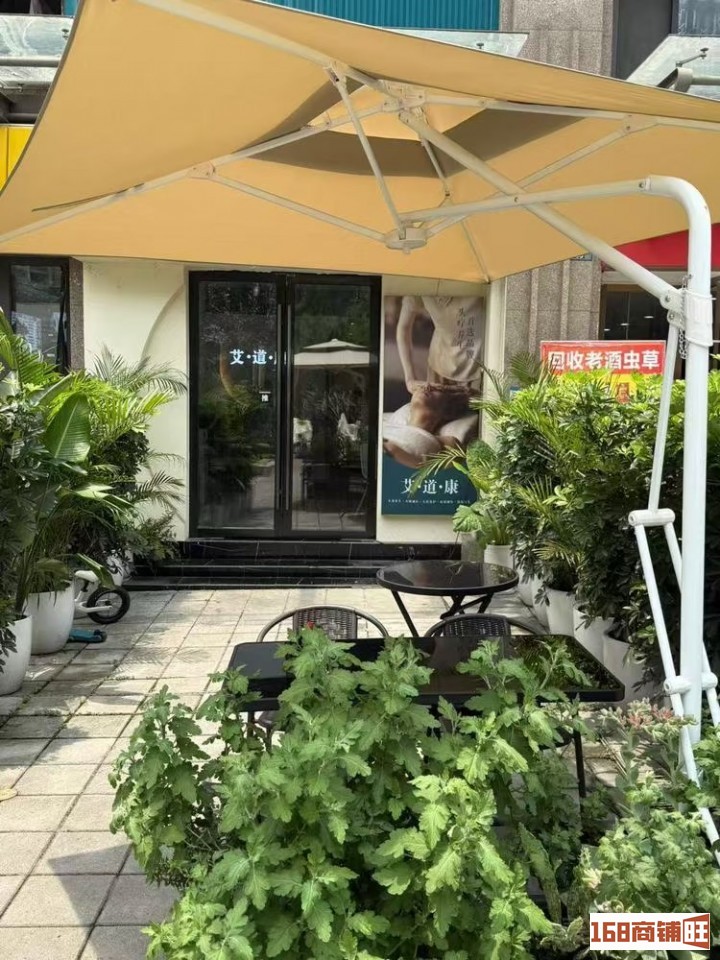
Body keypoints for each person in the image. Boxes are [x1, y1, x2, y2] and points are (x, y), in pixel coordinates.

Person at [383, 295, 485, 468]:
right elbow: (403, 327)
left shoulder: (438, 434)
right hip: (440, 361)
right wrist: (409, 378)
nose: (426, 387)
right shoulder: (421, 286)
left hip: (475, 362)